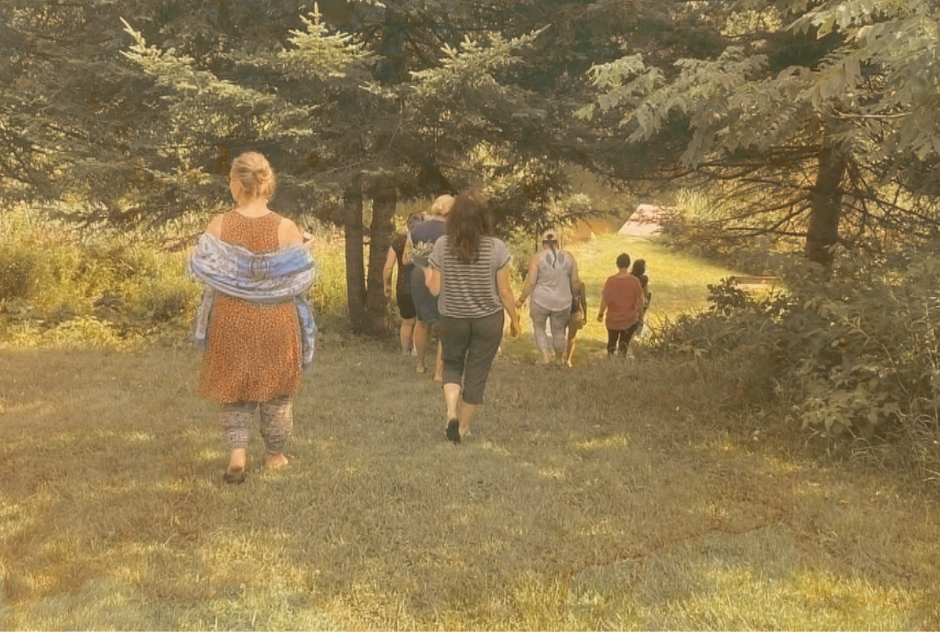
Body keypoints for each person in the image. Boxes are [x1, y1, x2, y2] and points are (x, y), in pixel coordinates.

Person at [188, 151, 316, 484]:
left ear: (236, 183)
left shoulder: (218, 225)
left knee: (234, 384)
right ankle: (275, 456)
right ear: (267, 183)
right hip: (276, 318)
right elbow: (298, 274)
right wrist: (303, 249)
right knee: (276, 389)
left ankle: (237, 453)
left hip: (230, 317)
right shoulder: (286, 227)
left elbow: (204, 268)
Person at [423, 191, 521, 443]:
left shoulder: (442, 245)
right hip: (488, 319)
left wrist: (428, 270)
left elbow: (434, 289)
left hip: (452, 317)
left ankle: (451, 413)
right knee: (477, 372)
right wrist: (515, 319)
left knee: (452, 365)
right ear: (483, 218)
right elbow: (504, 290)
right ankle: (463, 427)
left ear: (454, 218)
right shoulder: (496, 247)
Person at [404, 195, 454, 379]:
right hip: (446, 276)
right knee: (445, 323)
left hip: (419, 275)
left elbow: (407, 256)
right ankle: (439, 373)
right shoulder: (454, 230)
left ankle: (420, 364)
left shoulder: (416, 228)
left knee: (422, 321)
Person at [516, 229, 581, 364]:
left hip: (540, 300)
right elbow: (575, 281)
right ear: (558, 242)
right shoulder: (569, 257)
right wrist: (575, 297)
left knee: (539, 327)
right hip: (562, 301)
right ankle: (558, 359)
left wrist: (521, 300)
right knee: (558, 330)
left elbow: (531, 282)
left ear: (543, 243)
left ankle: (544, 356)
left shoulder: (537, 258)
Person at [383, 213, 423, 355]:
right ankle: (417, 351)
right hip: (422, 287)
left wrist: (386, 286)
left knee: (407, 322)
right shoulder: (427, 242)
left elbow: (388, 267)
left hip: (402, 288)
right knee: (420, 321)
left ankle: (405, 352)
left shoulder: (398, 241)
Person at [597, 252, 645, 357]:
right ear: (628, 264)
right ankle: (621, 366)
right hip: (629, 319)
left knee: (611, 343)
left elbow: (605, 299)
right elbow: (640, 301)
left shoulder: (610, 281)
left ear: (617, 264)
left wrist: (600, 314)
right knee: (624, 346)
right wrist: (641, 315)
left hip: (612, 319)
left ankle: (609, 363)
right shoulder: (635, 281)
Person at [562, 278, 587, 366]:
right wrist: (585, 315)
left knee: (561, 336)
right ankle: (568, 360)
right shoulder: (580, 284)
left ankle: (560, 358)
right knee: (571, 338)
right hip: (575, 313)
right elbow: (583, 300)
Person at [631, 258, 652, 338]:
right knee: (640, 318)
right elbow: (646, 292)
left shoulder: (630, 276)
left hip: (631, 302)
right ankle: (637, 334)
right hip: (640, 302)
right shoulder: (644, 279)